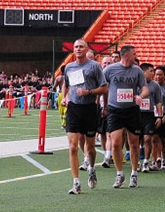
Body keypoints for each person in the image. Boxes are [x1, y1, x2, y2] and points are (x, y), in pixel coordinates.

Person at [61, 39, 108, 195]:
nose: (78, 49)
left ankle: (92, 168)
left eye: (81, 46)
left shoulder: (94, 66)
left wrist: (88, 92)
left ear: (86, 49)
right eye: (76, 47)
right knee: (73, 146)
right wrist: (65, 96)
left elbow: (104, 88)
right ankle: (76, 183)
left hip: (89, 108)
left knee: (91, 148)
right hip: (74, 108)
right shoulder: (69, 66)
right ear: (73, 50)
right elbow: (66, 83)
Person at [103, 45, 149, 189]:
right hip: (115, 110)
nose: (136, 56)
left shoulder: (137, 71)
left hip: (132, 110)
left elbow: (145, 88)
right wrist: (103, 105)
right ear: (126, 55)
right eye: (134, 54)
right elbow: (103, 87)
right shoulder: (110, 69)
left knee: (134, 143)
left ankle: (134, 173)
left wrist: (140, 96)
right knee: (116, 143)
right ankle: (119, 174)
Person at [139, 63, 163, 173]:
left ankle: (146, 161)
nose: (153, 73)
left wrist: (159, 116)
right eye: (151, 71)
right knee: (135, 140)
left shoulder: (155, 85)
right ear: (144, 72)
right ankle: (137, 162)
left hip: (149, 115)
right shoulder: (136, 84)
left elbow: (158, 101)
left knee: (147, 138)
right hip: (137, 114)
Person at [98, 56, 113, 168]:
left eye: (109, 63)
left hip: (112, 107)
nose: (106, 65)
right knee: (102, 133)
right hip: (99, 107)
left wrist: (107, 106)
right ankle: (106, 153)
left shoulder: (114, 77)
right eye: (105, 63)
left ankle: (108, 156)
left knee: (109, 134)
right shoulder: (97, 77)